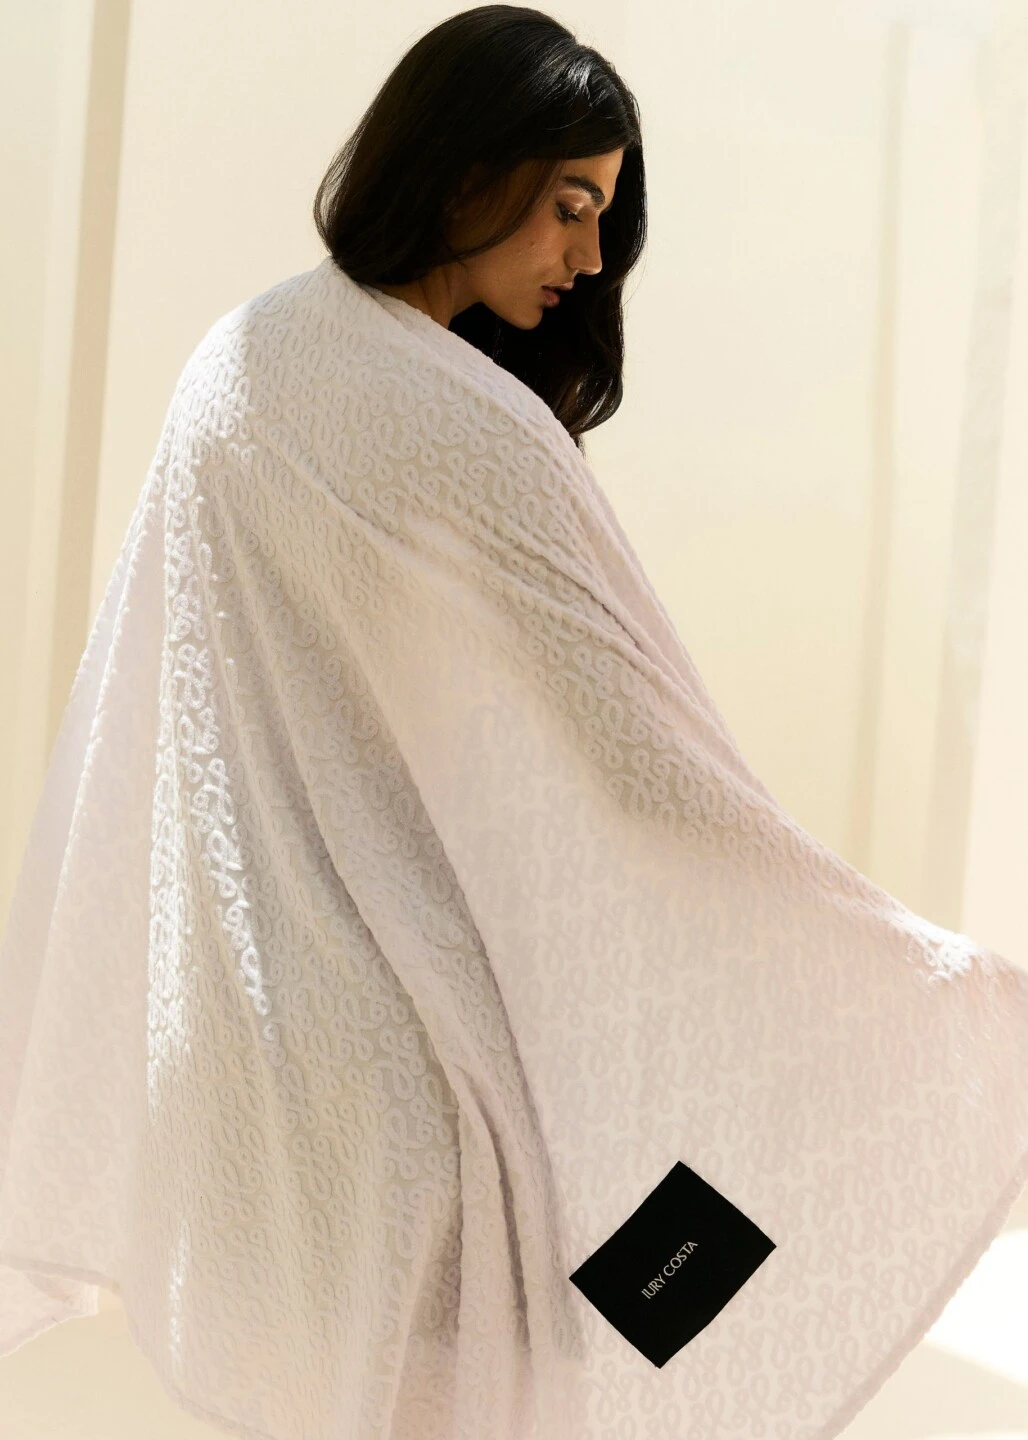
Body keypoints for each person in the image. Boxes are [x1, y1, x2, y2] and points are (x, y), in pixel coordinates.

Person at [2, 10, 1026, 1440]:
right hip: (416, 1077)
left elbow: (165, 718)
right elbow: (648, 765)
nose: (589, 260)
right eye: (572, 205)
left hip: (242, 1070)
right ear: (465, 167)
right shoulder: (460, 420)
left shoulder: (236, 361)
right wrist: (913, 974)